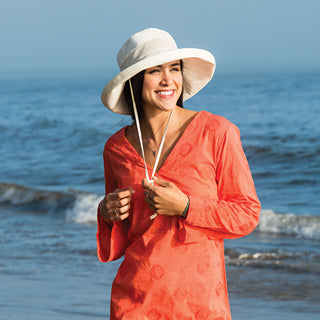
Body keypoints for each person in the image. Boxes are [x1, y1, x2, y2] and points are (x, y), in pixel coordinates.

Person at [97, 28, 261, 320]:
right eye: (154, 72)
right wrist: (107, 213)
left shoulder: (217, 132)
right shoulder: (116, 148)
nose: (167, 80)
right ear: (135, 82)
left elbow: (247, 214)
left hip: (200, 305)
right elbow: (123, 236)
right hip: (133, 302)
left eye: (174, 69)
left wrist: (186, 206)